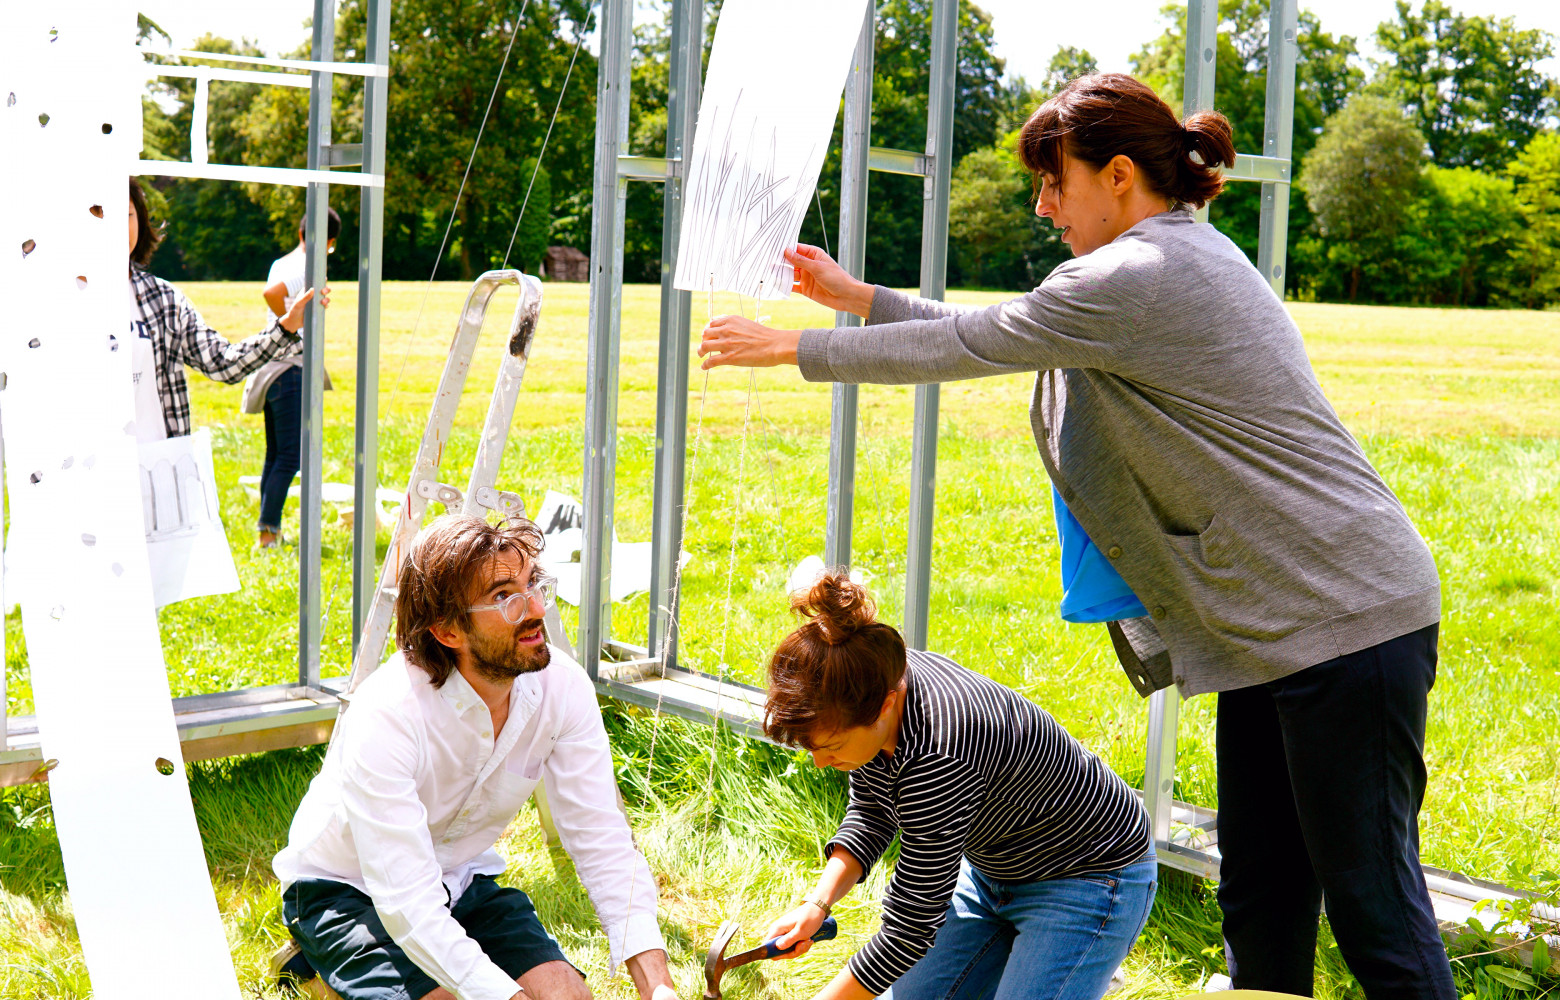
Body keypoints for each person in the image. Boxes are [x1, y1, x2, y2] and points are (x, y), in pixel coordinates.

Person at [697, 73, 1452, 999]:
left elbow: (978, 344)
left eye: (1057, 182)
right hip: (1274, 631)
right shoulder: (1148, 266)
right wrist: (858, 297)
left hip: (1346, 618)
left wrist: (791, 346)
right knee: (1262, 893)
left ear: (1122, 176)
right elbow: (1003, 331)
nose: (1044, 205)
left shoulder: (1144, 271)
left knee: (1372, 904)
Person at [272, 514, 677, 1000]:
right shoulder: (387, 713)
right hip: (344, 888)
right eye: (505, 597)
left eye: (534, 584)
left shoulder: (563, 688)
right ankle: (317, 959)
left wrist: (659, 989)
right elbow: (405, 900)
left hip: (462, 880)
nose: (535, 608)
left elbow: (602, 839)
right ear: (447, 632)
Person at [760, 572, 1156, 1000]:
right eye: (814, 749)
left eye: (832, 747)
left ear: (886, 704)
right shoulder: (870, 676)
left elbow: (909, 929)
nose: (821, 763)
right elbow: (873, 812)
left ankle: (1082, 956)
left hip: (1090, 875)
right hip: (991, 873)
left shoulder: (940, 752)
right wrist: (817, 905)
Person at [127, 177, 326, 445]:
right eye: (100, 212)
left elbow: (223, 362)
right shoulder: (59, 305)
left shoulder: (163, 300)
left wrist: (287, 325)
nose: (116, 226)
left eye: (126, 215)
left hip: (156, 473)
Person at [249, 210, 340, 548]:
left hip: (273, 367)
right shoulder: (306, 266)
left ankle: (268, 531)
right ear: (328, 242)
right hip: (288, 369)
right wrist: (292, 325)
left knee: (276, 455)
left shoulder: (282, 260)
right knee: (289, 457)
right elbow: (272, 294)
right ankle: (268, 534)